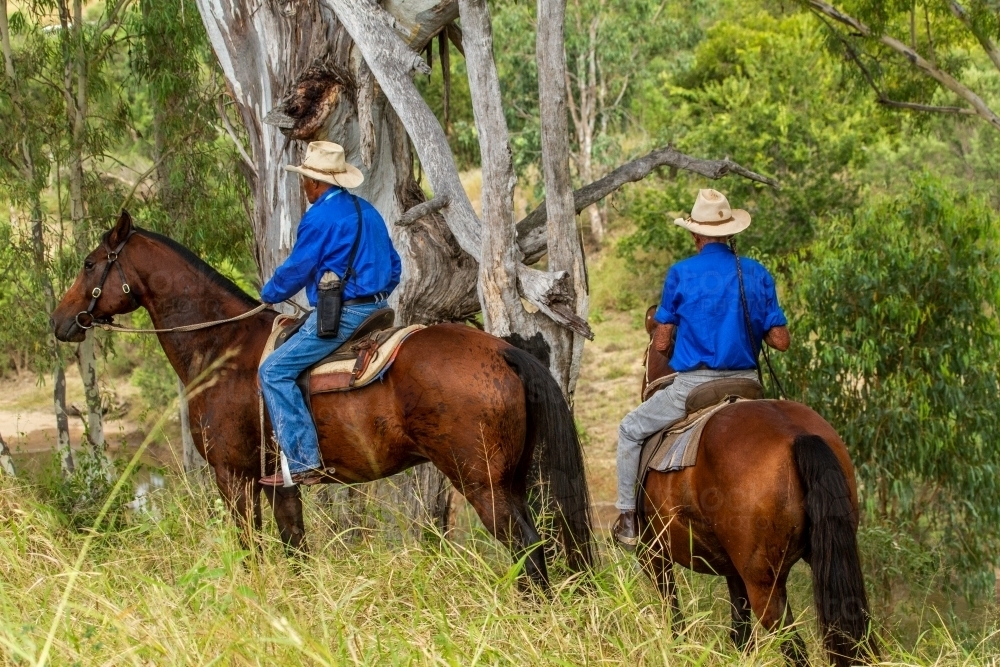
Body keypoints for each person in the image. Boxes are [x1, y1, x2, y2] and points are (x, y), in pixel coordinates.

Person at [612, 189, 790, 547]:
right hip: (748, 385)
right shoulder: (755, 272)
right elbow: (780, 341)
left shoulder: (681, 273)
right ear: (730, 233)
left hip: (694, 387)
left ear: (695, 235)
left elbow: (661, 344)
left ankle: (628, 518)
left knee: (630, 429)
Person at [258, 141, 401, 487]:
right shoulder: (369, 211)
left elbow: (297, 269)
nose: (304, 187)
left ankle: (304, 461)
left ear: (316, 183)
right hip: (378, 311)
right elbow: (394, 266)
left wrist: (268, 295)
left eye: (306, 180)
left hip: (345, 317)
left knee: (273, 371)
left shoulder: (319, 217)